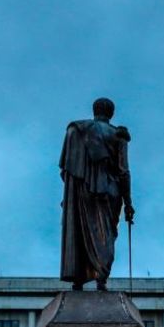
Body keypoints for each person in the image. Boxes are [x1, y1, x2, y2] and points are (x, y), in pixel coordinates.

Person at [59, 97, 134, 291]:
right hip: (109, 192)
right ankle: (101, 277)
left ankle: (79, 279)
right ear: (111, 113)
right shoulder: (118, 135)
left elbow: (67, 169)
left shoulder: (75, 130)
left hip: (82, 191)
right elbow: (123, 171)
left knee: (81, 229)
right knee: (105, 234)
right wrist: (128, 203)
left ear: (95, 111)